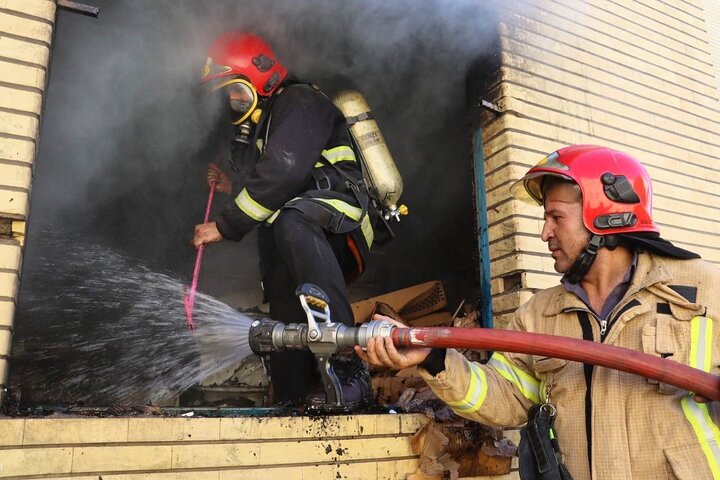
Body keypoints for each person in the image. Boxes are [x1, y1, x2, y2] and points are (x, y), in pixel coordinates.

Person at [356, 145, 720, 479]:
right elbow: (505, 396)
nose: (544, 232)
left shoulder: (704, 292)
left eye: (556, 217)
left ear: (606, 216)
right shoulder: (539, 315)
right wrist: (434, 359)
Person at [192, 31, 374, 408]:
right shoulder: (271, 124)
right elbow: (274, 177)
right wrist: (232, 186)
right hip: (304, 221)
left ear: (261, 77)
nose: (233, 101)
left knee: (289, 223)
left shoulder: (299, 101)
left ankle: (348, 366)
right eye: (228, 95)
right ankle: (292, 394)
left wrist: (224, 226)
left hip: (340, 216)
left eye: (236, 90)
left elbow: (286, 171)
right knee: (280, 288)